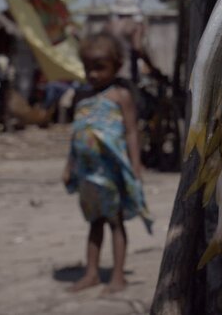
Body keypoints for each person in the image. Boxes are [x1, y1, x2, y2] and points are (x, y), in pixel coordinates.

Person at [61, 32, 153, 294]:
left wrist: (136, 166)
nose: (92, 74)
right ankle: (91, 273)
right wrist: (68, 166)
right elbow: (76, 133)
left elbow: (132, 131)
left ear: (116, 65)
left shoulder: (120, 96)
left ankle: (117, 276)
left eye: (99, 68)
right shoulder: (81, 98)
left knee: (115, 222)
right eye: (88, 68)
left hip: (112, 172)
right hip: (88, 174)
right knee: (94, 223)